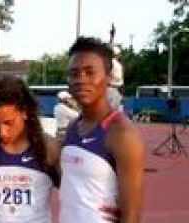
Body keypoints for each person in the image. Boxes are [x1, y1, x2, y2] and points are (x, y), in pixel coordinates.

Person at [60, 37, 144, 223]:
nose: (81, 80)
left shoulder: (122, 134)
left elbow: (132, 216)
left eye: (90, 73)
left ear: (108, 77)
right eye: (74, 73)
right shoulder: (73, 127)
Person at [0, 75, 59, 223]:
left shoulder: (49, 148)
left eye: (9, 123)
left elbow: (77, 192)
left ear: (25, 112)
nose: (2, 132)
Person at [107, 45, 124, 111]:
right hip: (114, 89)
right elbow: (121, 81)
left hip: (107, 88)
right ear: (117, 54)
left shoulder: (106, 62)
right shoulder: (118, 65)